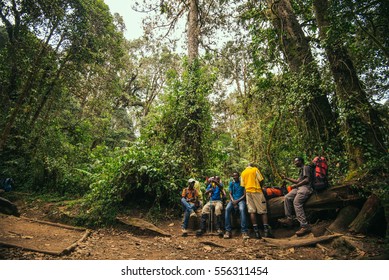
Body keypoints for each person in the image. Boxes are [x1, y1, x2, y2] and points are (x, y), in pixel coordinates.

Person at [279, 157, 313, 237]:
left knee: (296, 202)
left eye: (296, 161)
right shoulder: (301, 170)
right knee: (287, 197)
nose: (295, 163)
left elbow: (307, 180)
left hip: (306, 188)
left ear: (300, 161)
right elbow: (298, 181)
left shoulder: (306, 168)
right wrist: (286, 178)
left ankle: (305, 226)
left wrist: (296, 185)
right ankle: (289, 219)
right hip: (299, 188)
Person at [240, 163, 273, 239]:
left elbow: (243, 185)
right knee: (263, 211)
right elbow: (261, 180)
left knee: (252, 211)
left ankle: (256, 232)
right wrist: (260, 187)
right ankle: (266, 231)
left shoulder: (243, 173)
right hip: (257, 191)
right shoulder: (255, 169)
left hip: (248, 192)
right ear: (252, 166)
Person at [224, 172, 249, 239]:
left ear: (239, 176)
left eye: (236, 176)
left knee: (242, 209)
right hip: (233, 200)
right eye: (234, 176)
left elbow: (244, 195)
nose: (235, 177)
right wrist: (233, 201)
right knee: (227, 209)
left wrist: (237, 201)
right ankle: (228, 231)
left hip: (241, 200)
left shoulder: (243, 183)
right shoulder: (231, 183)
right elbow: (230, 194)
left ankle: (244, 231)